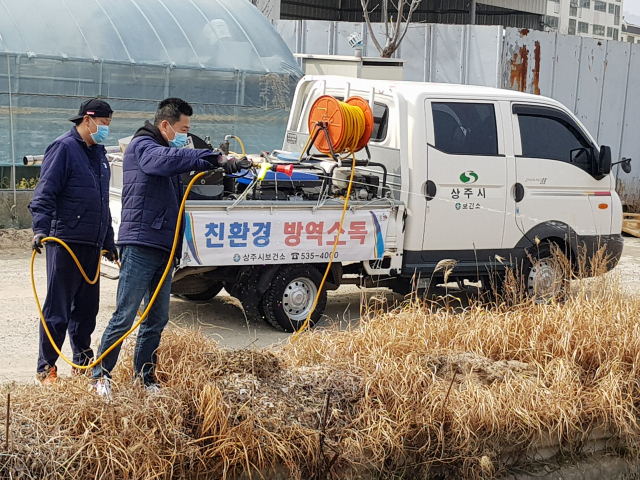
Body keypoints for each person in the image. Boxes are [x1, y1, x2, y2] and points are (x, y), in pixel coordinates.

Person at [91, 98, 250, 393]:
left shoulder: (167, 152)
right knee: (125, 315)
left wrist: (226, 164)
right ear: (165, 125)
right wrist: (213, 157)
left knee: (157, 318)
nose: (186, 137)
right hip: (140, 244)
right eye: (183, 129)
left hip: (164, 247)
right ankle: (100, 376)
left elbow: (182, 176)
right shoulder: (143, 147)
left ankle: (145, 377)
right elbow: (166, 161)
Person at [29, 99, 118, 386]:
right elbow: (45, 192)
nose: (105, 129)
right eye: (102, 124)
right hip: (65, 240)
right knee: (58, 309)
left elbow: (102, 203)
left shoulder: (99, 154)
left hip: (91, 243)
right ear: (87, 120)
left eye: (108, 125)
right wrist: (41, 229)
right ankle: (46, 368)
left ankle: (81, 362)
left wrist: (108, 240)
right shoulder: (64, 148)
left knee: (86, 310)